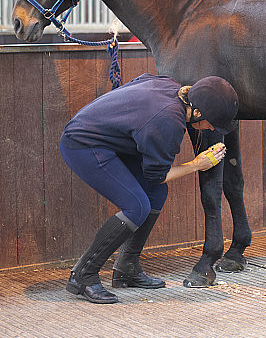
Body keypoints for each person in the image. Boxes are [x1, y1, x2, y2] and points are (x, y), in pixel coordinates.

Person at [60, 73, 239, 304]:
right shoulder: (169, 121)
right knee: (136, 207)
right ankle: (83, 275)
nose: (210, 129)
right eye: (211, 124)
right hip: (82, 144)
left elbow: (137, 84)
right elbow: (158, 175)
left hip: (107, 141)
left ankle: (127, 267)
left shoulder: (169, 85)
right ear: (197, 113)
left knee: (155, 193)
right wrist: (197, 165)